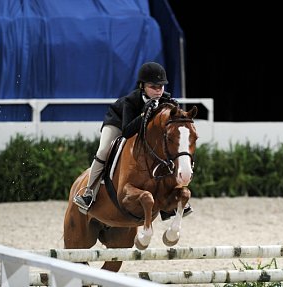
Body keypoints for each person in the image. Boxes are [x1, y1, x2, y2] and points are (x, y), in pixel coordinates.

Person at [73, 61, 193, 220]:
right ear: (142, 86)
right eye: (153, 87)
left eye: (161, 86)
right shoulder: (131, 101)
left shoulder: (166, 101)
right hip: (118, 122)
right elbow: (127, 131)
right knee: (104, 150)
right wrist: (145, 114)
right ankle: (88, 193)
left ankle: (169, 201)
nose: (158, 91)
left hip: (140, 130)